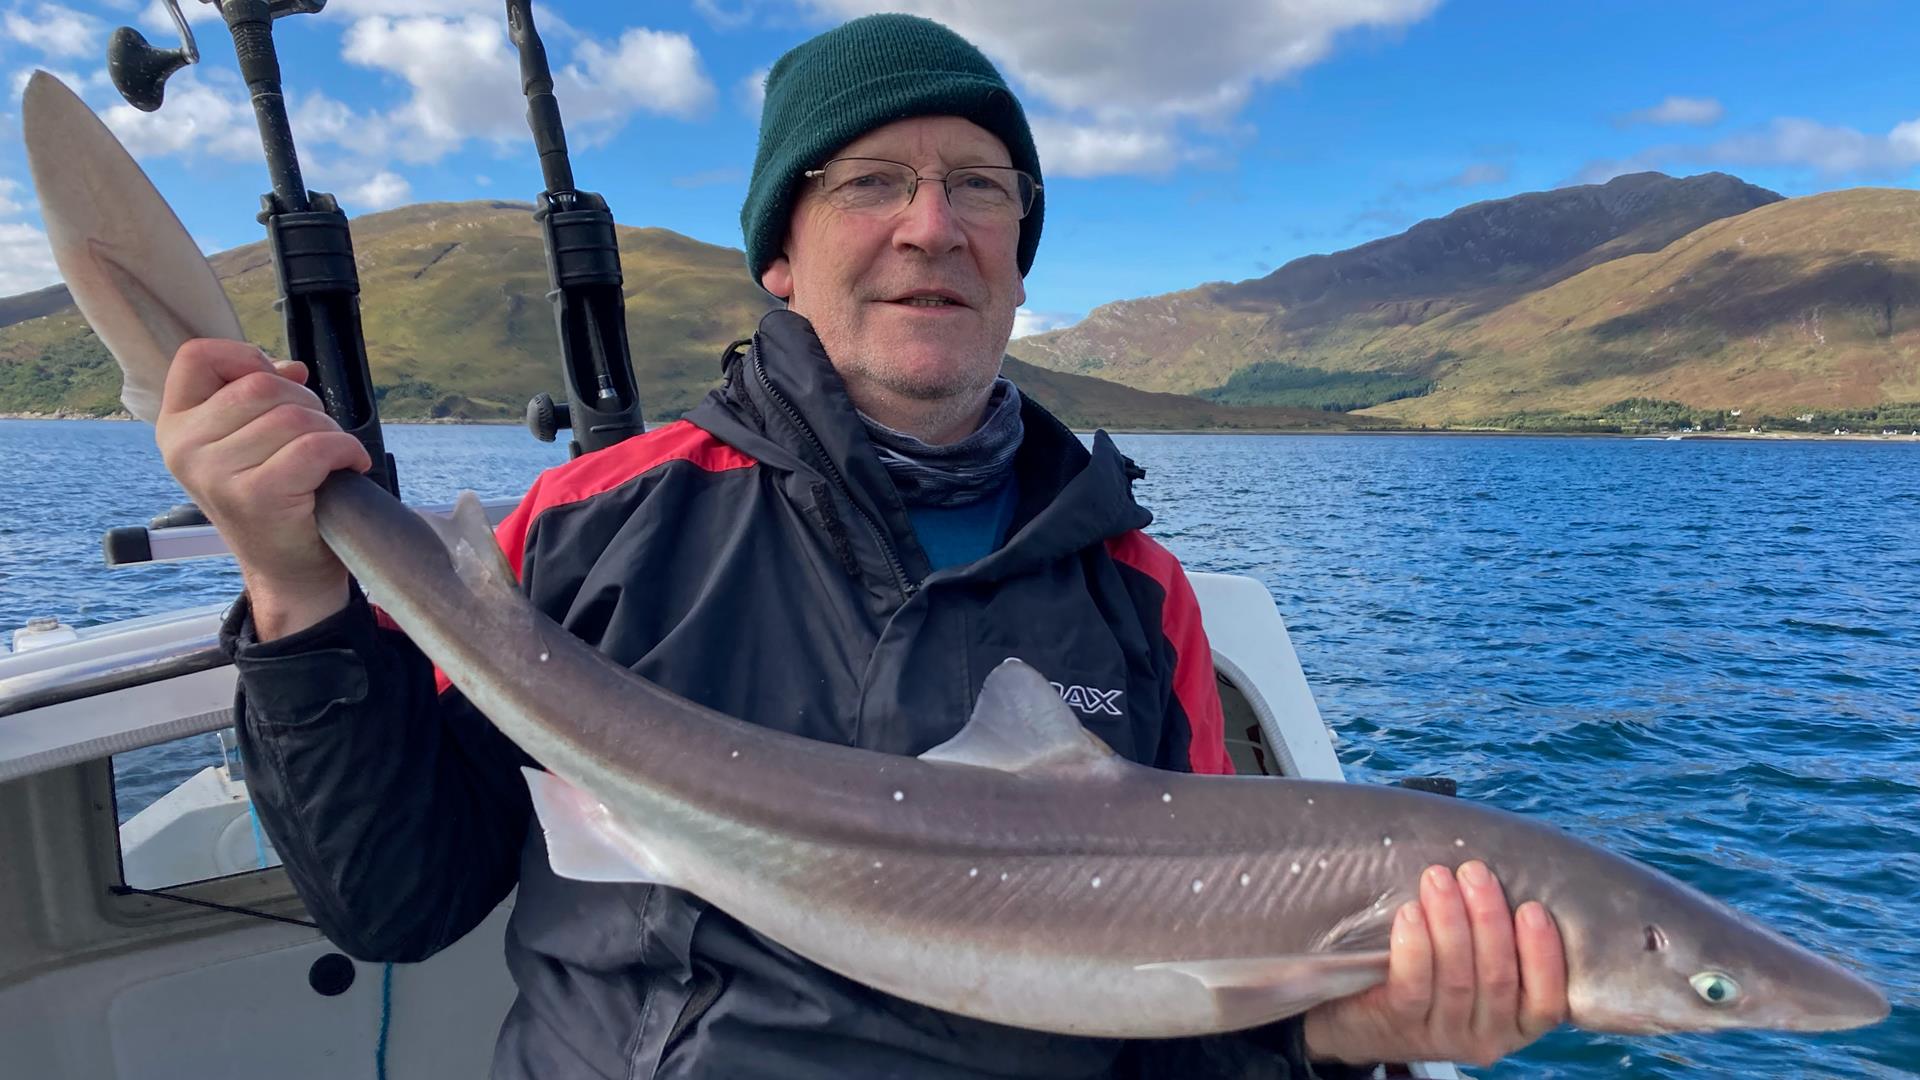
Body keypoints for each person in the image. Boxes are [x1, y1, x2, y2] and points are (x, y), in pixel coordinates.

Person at [154, 13, 1567, 1079]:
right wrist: (294, 594)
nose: (931, 227)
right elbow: (396, 899)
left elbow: (1173, 1040)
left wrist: (1336, 1033)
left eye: (981, 187)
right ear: (782, 251)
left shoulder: (1138, 598)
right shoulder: (595, 526)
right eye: (871, 183)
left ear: (1023, 249)